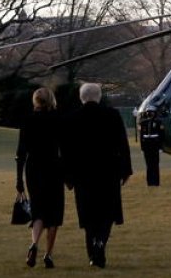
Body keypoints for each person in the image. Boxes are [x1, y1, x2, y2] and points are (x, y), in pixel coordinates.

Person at [64, 83, 132, 269]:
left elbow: (67, 151)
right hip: (108, 172)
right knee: (107, 212)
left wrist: (68, 177)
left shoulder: (72, 118)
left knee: (88, 214)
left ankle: (93, 253)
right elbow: (122, 144)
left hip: (82, 174)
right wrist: (126, 170)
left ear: (82, 97)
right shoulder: (112, 115)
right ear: (99, 96)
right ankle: (100, 243)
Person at [15, 87, 65, 269]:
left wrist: (19, 181)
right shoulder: (57, 119)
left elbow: (21, 152)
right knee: (54, 214)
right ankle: (48, 255)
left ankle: (34, 244)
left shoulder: (28, 120)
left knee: (38, 210)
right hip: (53, 167)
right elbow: (64, 149)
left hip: (33, 168)